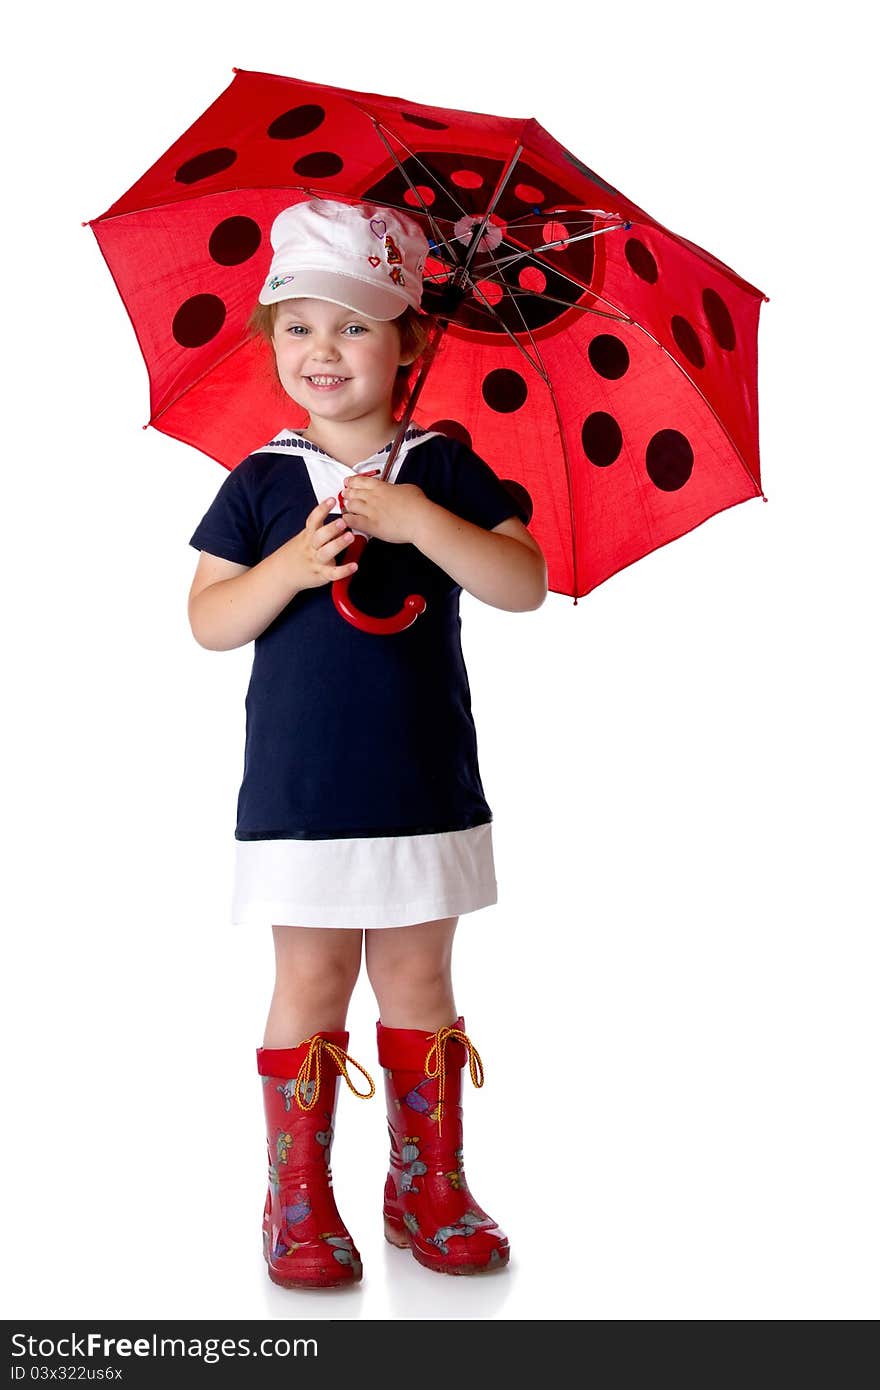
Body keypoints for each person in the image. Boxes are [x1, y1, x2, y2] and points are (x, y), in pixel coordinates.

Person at [187, 198, 547, 1289]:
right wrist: (287, 568)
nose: (321, 349)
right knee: (309, 978)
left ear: (408, 338)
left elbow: (522, 581)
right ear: (271, 345)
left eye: (351, 324)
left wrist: (420, 523)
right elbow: (208, 620)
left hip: (421, 781)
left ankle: (425, 1186)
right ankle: (295, 1199)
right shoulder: (261, 482)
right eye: (296, 326)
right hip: (301, 790)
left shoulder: (441, 468)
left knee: (417, 977)